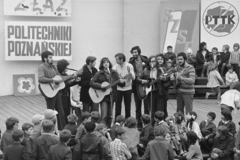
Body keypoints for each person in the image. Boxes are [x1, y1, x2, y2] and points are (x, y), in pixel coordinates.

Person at [38, 51, 78, 130]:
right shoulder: (41, 67)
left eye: (52, 57)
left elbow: (61, 78)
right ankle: (48, 130)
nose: (52, 59)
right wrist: (53, 80)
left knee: (61, 113)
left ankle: (61, 130)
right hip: (49, 92)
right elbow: (40, 78)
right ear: (45, 58)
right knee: (50, 113)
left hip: (56, 92)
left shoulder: (53, 67)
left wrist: (72, 76)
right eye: (50, 57)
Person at [90, 57, 120, 128]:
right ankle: (102, 129)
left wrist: (122, 81)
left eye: (107, 62)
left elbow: (119, 82)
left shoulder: (114, 72)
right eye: (104, 62)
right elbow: (92, 83)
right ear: (102, 64)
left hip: (111, 96)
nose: (106, 64)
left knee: (110, 116)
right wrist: (101, 86)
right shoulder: (99, 73)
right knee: (104, 115)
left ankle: (108, 129)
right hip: (103, 97)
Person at [128, 46, 149, 129]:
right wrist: (139, 80)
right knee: (138, 106)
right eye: (133, 52)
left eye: (136, 52)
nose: (134, 54)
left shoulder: (145, 59)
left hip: (146, 84)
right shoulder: (131, 61)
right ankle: (139, 124)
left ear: (139, 52)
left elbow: (149, 70)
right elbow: (131, 74)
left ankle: (147, 123)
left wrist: (146, 80)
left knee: (146, 106)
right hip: (137, 85)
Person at [142, 55, 169, 121]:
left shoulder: (162, 69)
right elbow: (142, 80)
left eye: (154, 61)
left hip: (160, 92)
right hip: (150, 93)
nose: (152, 63)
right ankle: (153, 126)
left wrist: (164, 79)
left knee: (160, 111)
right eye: (151, 61)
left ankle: (160, 126)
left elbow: (168, 80)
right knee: (152, 111)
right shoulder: (146, 70)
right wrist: (145, 83)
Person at [57, 59, 82, 123]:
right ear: (63, 67)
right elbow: (64, 85)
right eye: (66, 66)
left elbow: (69, 84)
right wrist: (73, 79)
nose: (67, 68)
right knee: (63, 114)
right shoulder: (58, 75)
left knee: (67, 112)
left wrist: (76, 81)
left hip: (67, 96)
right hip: (62, 96)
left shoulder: (65, 74)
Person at [113, 53, 135, 119]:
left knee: (128, 107)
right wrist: (119, 80)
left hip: (128, 89)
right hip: (118, 89)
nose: (116, 61)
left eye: (117, 59)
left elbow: (133, 77)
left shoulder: (129, 66)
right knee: (117, 107)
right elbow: (113, 77)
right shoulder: (115, 67)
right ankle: (117, 122)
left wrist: (130, 73)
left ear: (121, 59)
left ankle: (128, 122)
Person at [156, 54, 173, 118]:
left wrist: (164, 83)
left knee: (162, 109)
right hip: (155, 91)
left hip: (163, 92)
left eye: (161, 59)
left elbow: (170, 81)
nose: (160, 61)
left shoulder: (166, 69)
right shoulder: (154, 68)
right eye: (158, 59)